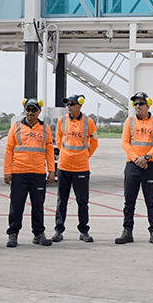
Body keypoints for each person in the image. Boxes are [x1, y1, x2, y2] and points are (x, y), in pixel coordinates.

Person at [115, 92, 153, 245]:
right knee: (129, 201)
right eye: (135, 104)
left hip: (149, 165)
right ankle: (127, 231)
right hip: (133, 165)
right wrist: (137, 159)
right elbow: (124, 142)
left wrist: (147, 157)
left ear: (148, 105)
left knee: (151, 201)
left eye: (141, 103)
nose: (137, 106)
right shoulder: (129, 121)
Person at [4, 98, 55, 247]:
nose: (30, 112)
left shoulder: (45, 128)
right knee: (16, 205)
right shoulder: (16, 127)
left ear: (39, 111)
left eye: (34, 110)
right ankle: (13, 234)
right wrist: (7, 171)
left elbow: (49, 151)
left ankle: (39, 234)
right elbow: (8, 149)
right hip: (19, 172)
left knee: (38, 205)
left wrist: (52, 171)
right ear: (24, 110)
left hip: (38, 173)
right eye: (28, 109)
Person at [51, 94, 98, 243]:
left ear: (79, 105)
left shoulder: (88, 122)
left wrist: (84, 156)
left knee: (82, 201)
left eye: (71, 104)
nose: (69, 107)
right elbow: (59, 139)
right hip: (64, 166)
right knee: (62, 200)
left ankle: (84, 231)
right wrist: (66, 153)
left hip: (81, 167)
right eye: (68, 104)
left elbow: (94, 142)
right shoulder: (62, 120)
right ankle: (59, 230)